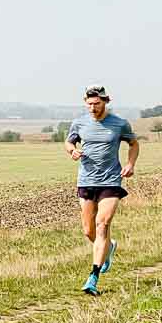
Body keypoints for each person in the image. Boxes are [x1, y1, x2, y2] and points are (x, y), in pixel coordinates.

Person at [66, 85, 139, 295]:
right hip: (86, 180)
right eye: (89, 104)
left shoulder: (119, 124)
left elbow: (134, 144)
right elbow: (69, 142)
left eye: (96, 104)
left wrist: (130, 164)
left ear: (106, 101)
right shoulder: (79, 123)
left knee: (102, 224)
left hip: (111, 180)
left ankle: (93, 278)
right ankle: (109, 247)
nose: (92, 108)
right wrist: (72, 151)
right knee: (88, 231)